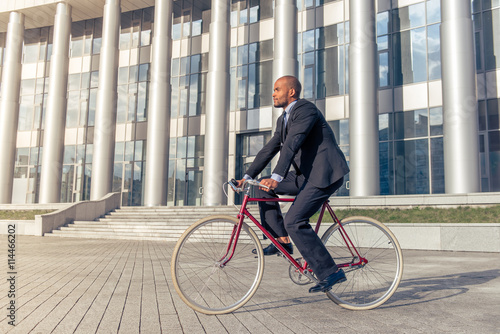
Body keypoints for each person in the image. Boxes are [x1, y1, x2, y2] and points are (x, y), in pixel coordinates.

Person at [234, 75, 350, 293]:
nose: (273, 93)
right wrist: (248, 177)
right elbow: (270, 149)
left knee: (294, 220)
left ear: (291, 92)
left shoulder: (306, 110)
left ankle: (330, 271)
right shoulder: (283, 119)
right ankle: (281, 240)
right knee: (261, 187)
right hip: (304, 176)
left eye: (277, 89)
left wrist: (277, 176)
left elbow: (292, 143)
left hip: (323, 174)